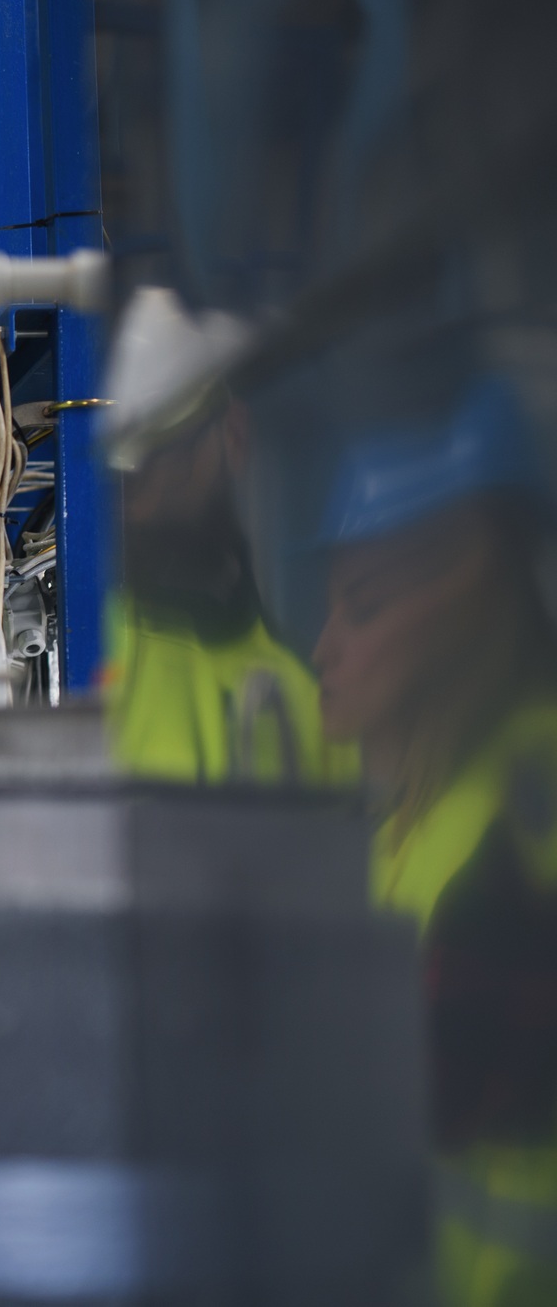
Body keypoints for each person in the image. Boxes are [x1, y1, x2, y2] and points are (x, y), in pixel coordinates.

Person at [311, 378, 557, 1307]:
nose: (326, 650)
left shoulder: (520, 841)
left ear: (465, 604)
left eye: (364, 607)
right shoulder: (433, 803)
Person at [104, 397, 356, 786]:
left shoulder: (313, 698)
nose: (144, 500)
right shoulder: (94, 651)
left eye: (171, 454)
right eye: (131, 469)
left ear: (234, 433)